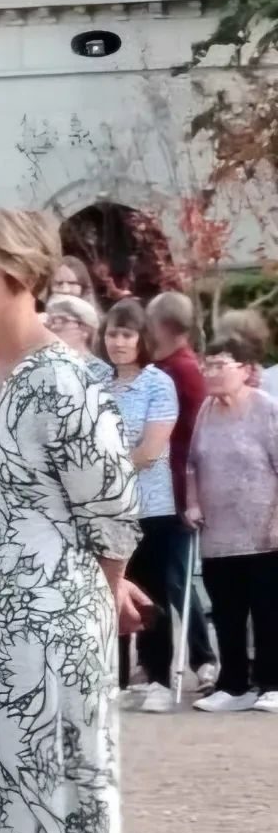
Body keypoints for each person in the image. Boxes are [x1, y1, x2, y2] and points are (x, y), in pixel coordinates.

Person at [0, 207, 141, 833]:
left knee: (59, 814)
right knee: (2, 812)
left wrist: (102, 597)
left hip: (49, 635)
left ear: (19, 271)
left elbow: (114, 511)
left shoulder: (62, 381)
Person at [186, 334, 278, 714]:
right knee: (226, 612)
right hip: (218, 534)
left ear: (245, 368)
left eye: (220, 364)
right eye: (207, 364)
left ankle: (272, 683)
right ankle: (234, 684)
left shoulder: (266, 408)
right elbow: (192, 462)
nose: (211, 372)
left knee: (269, 610)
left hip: (262, 532)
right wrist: (192, 502)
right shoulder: (206, 410)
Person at [101, 299, 182, 712]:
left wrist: (99, 469)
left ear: (142, 339)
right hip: (103, 510)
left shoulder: (157, 383)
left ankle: (158, 679)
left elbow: (150, 450)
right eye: (112, 334)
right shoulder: (95, 378)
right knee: (106, 591)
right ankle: (112, 677)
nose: (118, 342)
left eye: (127, 334)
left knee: (149, 591)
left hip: (148, 505)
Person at [146, 291, 219, 692]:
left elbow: (193, 437)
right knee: (158, 578)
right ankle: (154, 662)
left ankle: (202, 658)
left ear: (163, 327)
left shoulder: (182, 371)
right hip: (156, 493)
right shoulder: (161, 368)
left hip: (175, 492)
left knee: (176, 579)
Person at [45, 294, 111, 383]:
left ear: (84, 328)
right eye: (50, 321)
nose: (52, 327)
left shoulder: (99, 371)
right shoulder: (41, 365)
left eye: (60, 321)